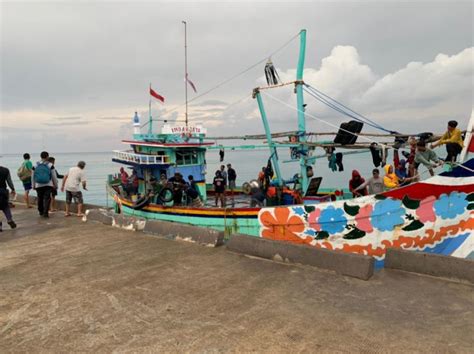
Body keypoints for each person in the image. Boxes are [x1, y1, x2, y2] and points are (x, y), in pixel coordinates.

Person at [32, 151, 58, 218]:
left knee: (40, 198)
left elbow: (32, 176)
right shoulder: (50, 165)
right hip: (48, 185)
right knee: (47, 198)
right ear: (47, 157)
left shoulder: (35, 165)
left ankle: (40, 211)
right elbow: (54, 176)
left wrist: (33, 185)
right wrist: (56, 185)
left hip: (38, 185)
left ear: (41, 156)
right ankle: (45, 213)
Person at [0, 164, 17, 231]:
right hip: (3, 191)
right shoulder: (5, 170)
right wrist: (12, 189)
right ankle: (9, 219)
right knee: (5, 207)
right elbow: (9, 181)